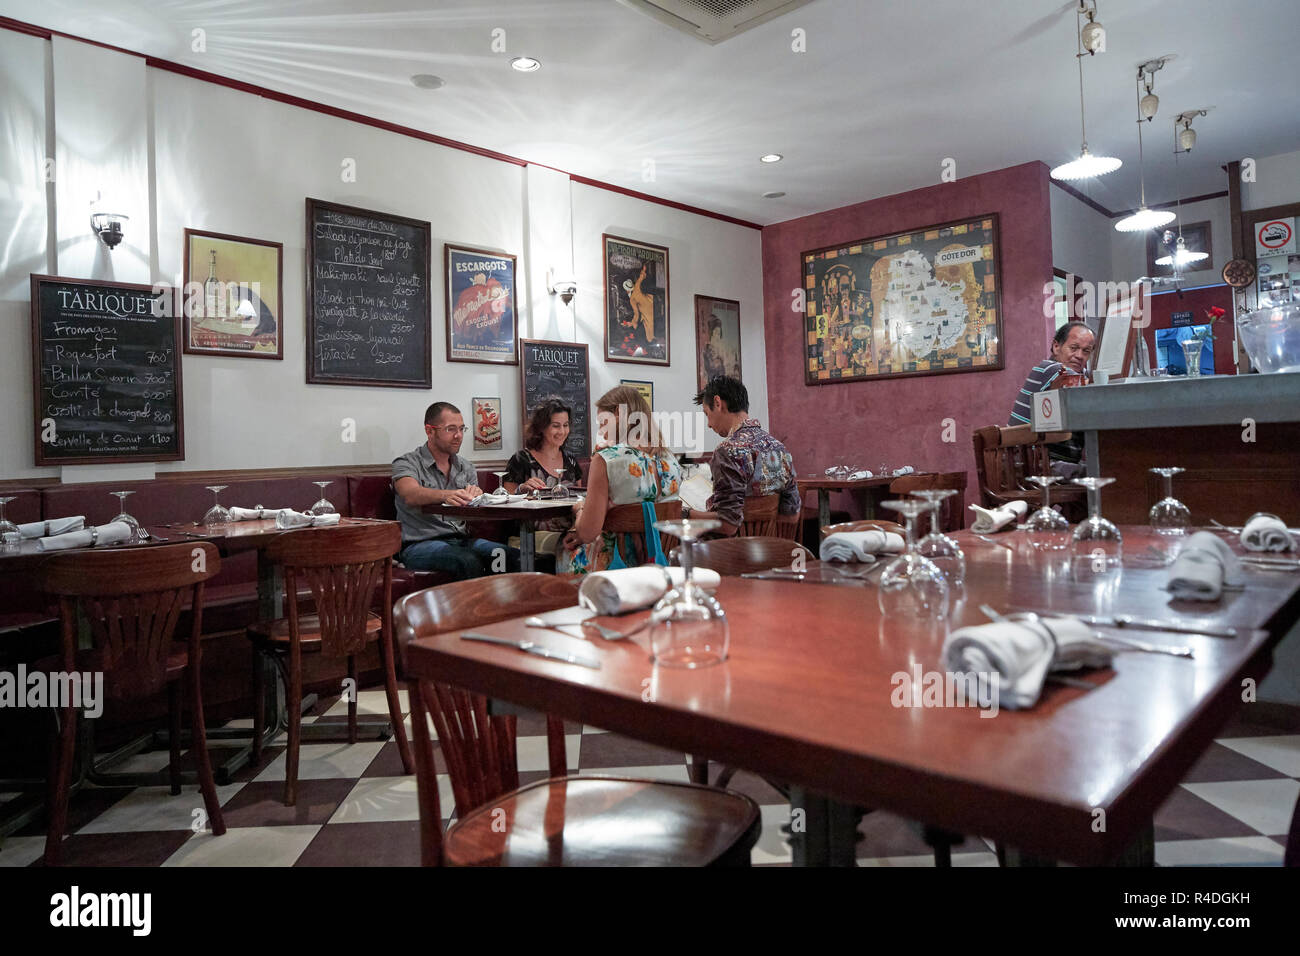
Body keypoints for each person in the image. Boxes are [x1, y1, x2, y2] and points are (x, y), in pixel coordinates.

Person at [560, 386, 681, 574]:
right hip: (662, 563)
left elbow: (587, 533)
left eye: (602, 422)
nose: (601, 431)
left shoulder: (606, 459)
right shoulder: (669, 458)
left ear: (618, 413)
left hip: (616, 567)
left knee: (560, 552)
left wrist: (580, 509)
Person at [392, 401, 520, 579]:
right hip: (418, 545)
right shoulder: (407, 462)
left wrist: (478, 497)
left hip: (461, 540)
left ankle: (505, 606)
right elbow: (410, 495)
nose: (458, 435)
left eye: (461, 429)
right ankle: (476, 608)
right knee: (468, 560)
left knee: (510, 555)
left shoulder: (466, 467)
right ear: (430, 431)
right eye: (450, 429)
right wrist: (447, 495)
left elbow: (472, 515)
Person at [688, 376, 800, 536]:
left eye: (707, 414)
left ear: (718, 403)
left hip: (732, 552)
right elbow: (792, 516)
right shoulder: (779, 447)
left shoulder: (727, 450)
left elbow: (728, 525)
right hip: (772, 551)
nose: (709, 424)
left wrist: (686, 514)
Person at [1008, 321, 1096, 477]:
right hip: (1033, 464)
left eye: (1086, 351)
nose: (1079, 356)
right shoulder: (1052, 369)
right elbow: (1081, 386)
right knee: (1104, 474)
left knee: (1101, 472)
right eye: (1074, 348)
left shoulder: (1082, 376)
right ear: (1056, 347)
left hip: (1043, 463)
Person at [502, 396, 584, 559]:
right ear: (542, 427)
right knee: (578, 547)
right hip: (528, 536)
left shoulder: (571, 460)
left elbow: (580, 497)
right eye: (555, 426)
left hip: (569, 531)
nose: (562, 431)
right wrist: (522, 488)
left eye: (565, 425)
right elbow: (504, 503)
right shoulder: (521, 459)